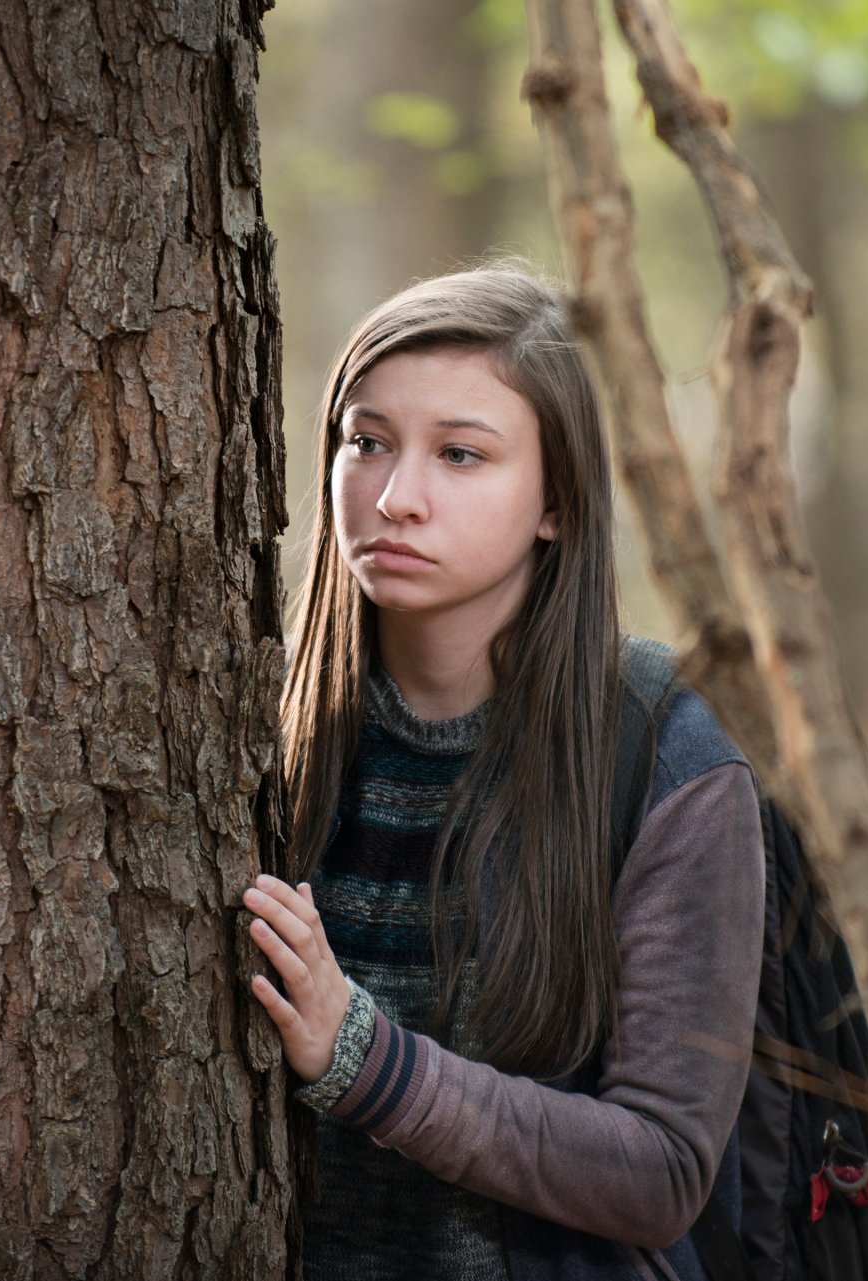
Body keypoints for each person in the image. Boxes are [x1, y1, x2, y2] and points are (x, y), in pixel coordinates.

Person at [241, 259, 766, 1280]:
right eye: (368, 443)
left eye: (462, 456)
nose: (396, 498)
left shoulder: (664, 756)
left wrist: (366, 1062)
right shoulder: (259, 728)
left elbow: (659, 1173)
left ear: (557, 503)